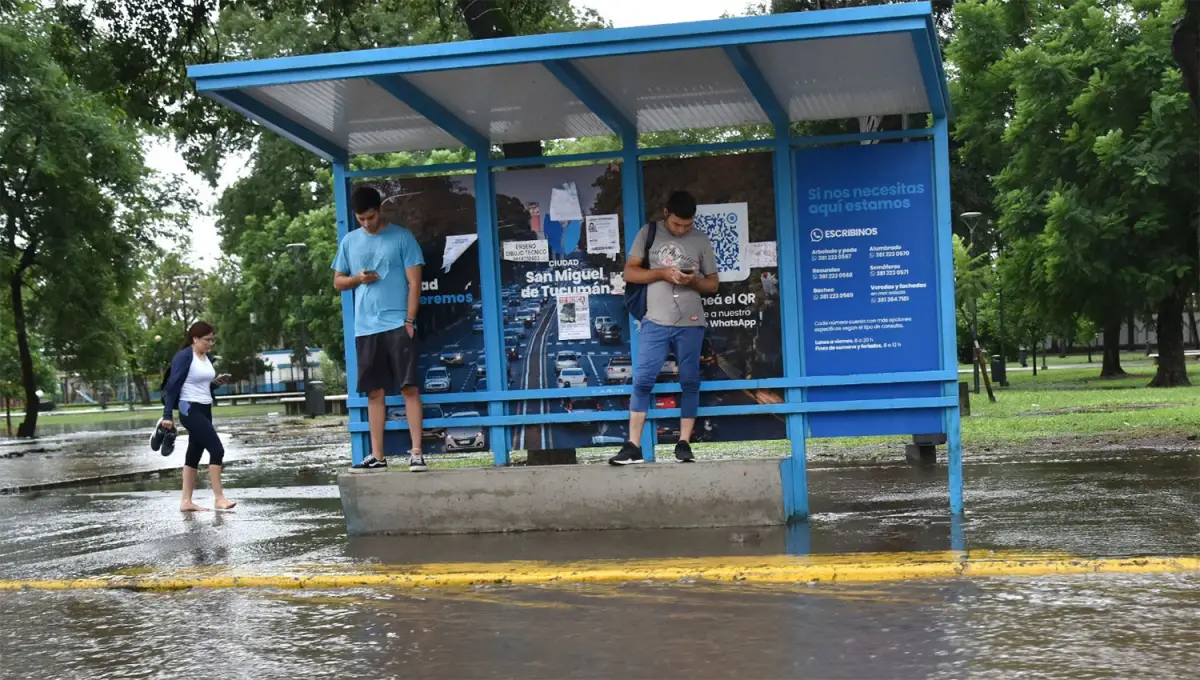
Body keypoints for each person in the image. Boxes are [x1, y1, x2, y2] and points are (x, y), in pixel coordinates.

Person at [611, 191, 719, 466]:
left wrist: (692, 281)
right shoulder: (648, 233)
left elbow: (713, 284)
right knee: (643, 379)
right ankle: (633, 446)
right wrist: (663, 273)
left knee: (690, 381)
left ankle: (684, 444)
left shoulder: (701, 239)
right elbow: (630, 273)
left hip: (691, 322)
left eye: (687, 225)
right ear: (665, 213)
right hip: (654, 319)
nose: (682, 230)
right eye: (676, 224)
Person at [332, 185, 427, 472]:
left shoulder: (402, 237)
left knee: (408, 388)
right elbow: (338, 282)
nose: (366, 223)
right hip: (365, 327)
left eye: (370, 217)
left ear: (380, 210)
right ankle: (378, 455)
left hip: (398, 323)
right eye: (360, 219)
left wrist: (409, 320)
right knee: (374, 392)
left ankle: (417, 453)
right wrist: (357, 279)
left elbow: (415, 284)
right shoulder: (350, 241)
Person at [154, 322, 236, 511]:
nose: (210, 343)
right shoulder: (184, 357)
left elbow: (201, 384)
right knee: (217, 450)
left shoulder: (207, 357)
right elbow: (173, 387)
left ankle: (186, 502)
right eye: (207, 340)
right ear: (195, 338)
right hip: (189, 409)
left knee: (194, 453)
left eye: (213, 340)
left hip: (205, 407)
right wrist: (167, 415)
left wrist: (216, 383)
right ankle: (219, 498)